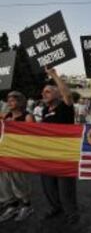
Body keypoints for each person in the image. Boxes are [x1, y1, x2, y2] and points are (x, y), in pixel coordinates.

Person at [40, 67, 79, 224]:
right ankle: (56, 207)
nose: (43, 94)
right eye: (43, 92)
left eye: (48, 91)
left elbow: (67, 94)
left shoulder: (65, 107)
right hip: (47, 153)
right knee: (48, 185)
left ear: (57, 94)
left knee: (65, 187)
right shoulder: (44, 110)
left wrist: (53, 75)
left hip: (64, 154)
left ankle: (71, 212)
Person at [0, 91, 35, 222]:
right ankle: (11, 205)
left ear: (20, 102)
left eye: (13, 100)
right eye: (8, 100)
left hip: (19, 154)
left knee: (19, 180)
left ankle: (26, 205)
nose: (9, 102)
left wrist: (14, 125)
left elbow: (33, 135)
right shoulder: (6, 116)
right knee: (5, 181)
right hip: (5, 153)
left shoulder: (27, 116)